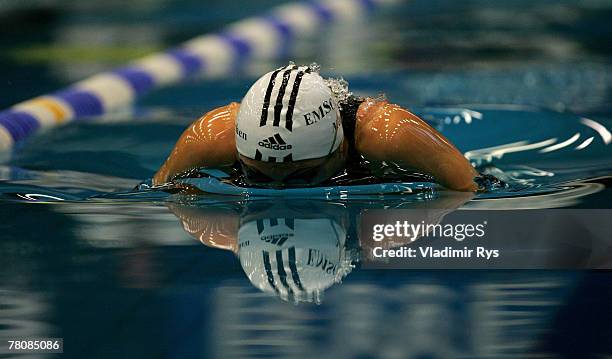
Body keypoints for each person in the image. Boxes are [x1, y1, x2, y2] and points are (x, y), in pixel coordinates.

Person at [153, 63, 480, 191]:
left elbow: (474, 189)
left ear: (340, 148)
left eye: (302, 175)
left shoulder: (390, 135)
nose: (278, 190)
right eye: (257, 174)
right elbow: (159, 192)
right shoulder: (211, 137)